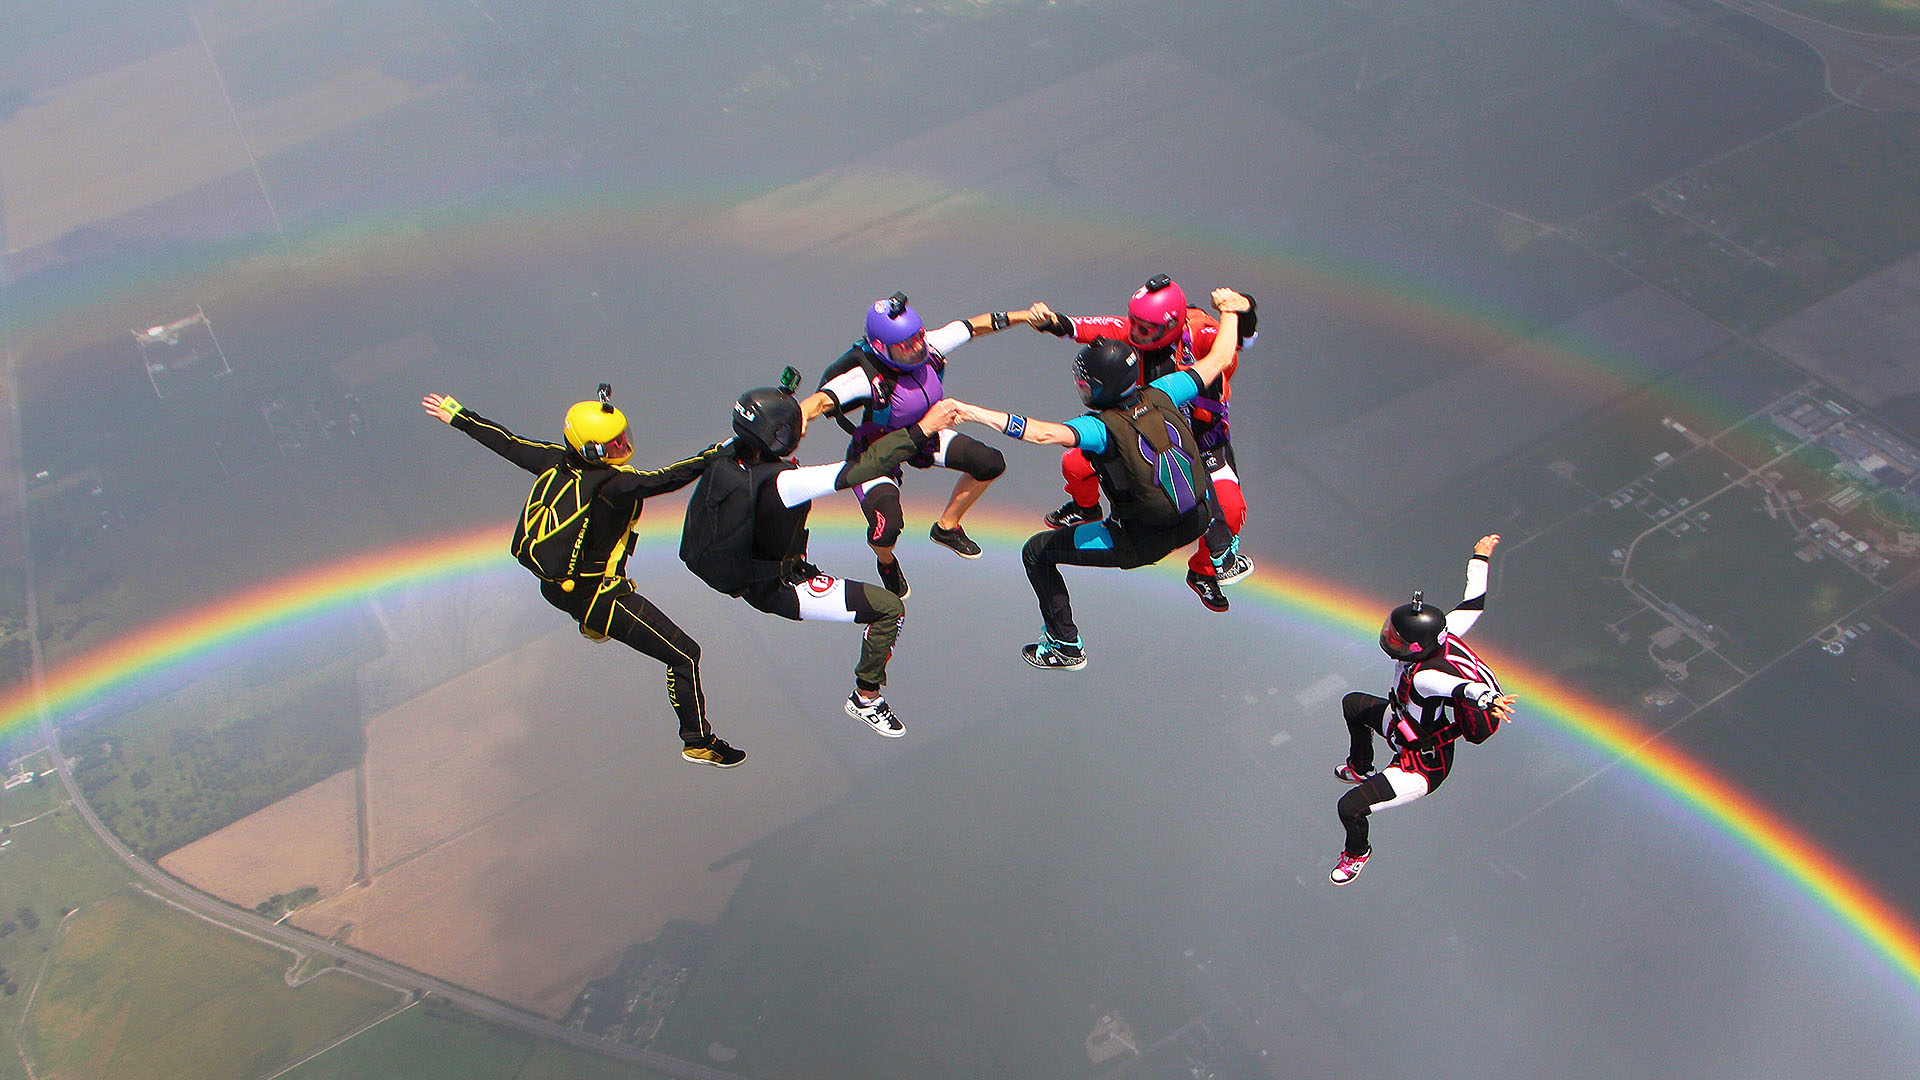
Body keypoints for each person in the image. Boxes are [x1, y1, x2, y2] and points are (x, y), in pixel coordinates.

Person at [421, 388, 744, 768]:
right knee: (685, 656)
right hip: (597, 596)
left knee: (600, 588)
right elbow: (665, 479)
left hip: (556, 588)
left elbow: (506, 443)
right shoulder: (614, 485)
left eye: (622, 436)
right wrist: (715, 454)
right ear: (592, 450)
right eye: (614, 442)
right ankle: (698, 742)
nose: (623, 445)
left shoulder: (555, 461)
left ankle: (591, 622)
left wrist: (459, 416)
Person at [946, 287, 1250, 669]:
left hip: (1139, 542)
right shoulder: (1166, 391)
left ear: (1101, 388)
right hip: (1199, 519)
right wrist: (1230, 310)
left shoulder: (1098, 428)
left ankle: (1064, 644)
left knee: (1036, 553)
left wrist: (970, 411)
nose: (1082, 389)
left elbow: (1039, 432)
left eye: (1086, 384)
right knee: (1220, 490)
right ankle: (1222, 554)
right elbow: (1222, 355)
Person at [681, 375, 965, 737]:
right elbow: (865, 469)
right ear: (777, 438)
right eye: (793, 429)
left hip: (748, 568)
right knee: (889, 609)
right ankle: (865, 698)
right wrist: (924, 428)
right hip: (779, 586)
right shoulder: (785, 483)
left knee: (884, 606)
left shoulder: (728, 451)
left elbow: (769, 425)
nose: (802, 431)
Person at [1027, 274, 1258, 612]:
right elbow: (1082, 327)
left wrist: (1242, 306)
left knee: (1231, 511)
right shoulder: (1132, 329)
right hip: (1143, 439)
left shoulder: (1203, 336)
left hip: (1203, 446)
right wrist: (1050, 321)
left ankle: (1204, 571)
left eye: (1146, 330)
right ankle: (1084, 507)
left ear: (1173, 324)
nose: (1135, 334)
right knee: (1075, 463)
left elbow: (1242, 337)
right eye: (1133, 324)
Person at [797, 293, 1045, 601]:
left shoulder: (930, 347)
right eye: (905, 346)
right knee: (885, 530)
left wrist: (1026, 315)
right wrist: (802, 417)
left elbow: (976, 326)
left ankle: (947, 527)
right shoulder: (866, 378)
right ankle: (886, 563)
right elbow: (822, 400)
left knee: (990, 462)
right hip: (879, 451)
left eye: (918, 338)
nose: (916, 348)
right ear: (880, 349)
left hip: (925, 433)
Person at [1330, 533, 1518, 885]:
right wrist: (1480, 557)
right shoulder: (1444, 633)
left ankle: (1357, 853)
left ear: (1419, 647)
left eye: (1397, 639)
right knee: (1353, 704)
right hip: (1403, 727)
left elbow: (1459, 687)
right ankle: (1361, 766)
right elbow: (1473, 602)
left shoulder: (1426, 677)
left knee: (1349, 807)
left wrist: (1488, 700)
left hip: (1420, 765)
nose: (1389, 639)